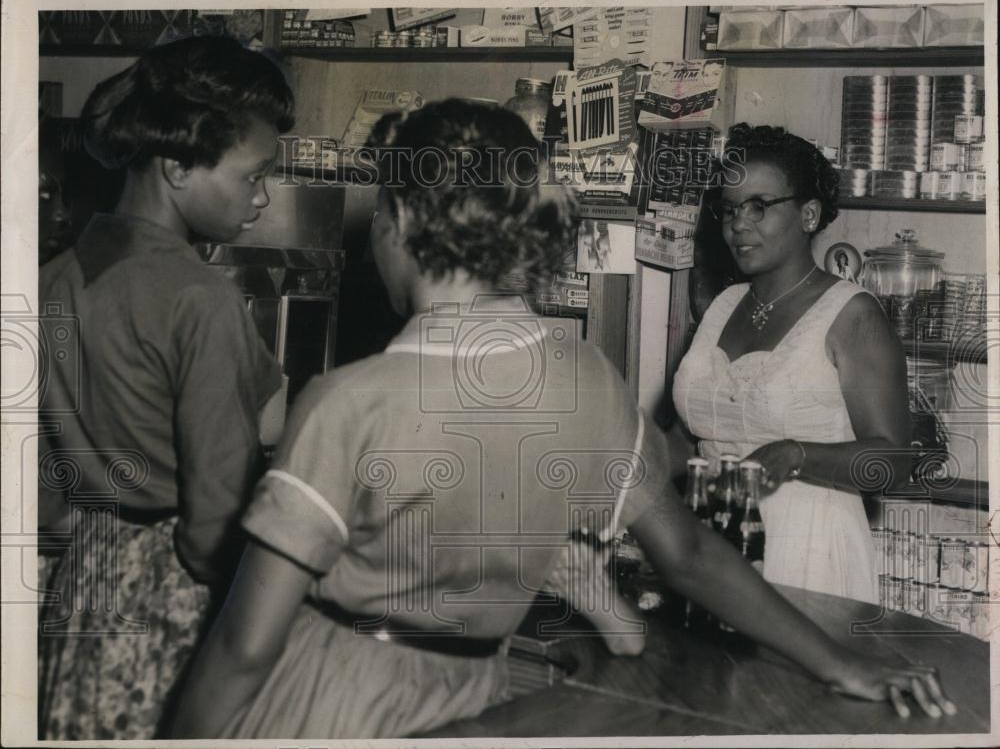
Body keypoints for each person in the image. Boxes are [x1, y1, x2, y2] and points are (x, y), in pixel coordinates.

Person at [171, 102, 953, 741]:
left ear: (401, 223)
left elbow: (244, 645)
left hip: (330, 701)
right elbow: (689, 555)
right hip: (479, 703)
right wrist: (838, 664)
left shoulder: (345, 400)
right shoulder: (585, 380)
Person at [37, 35, 293, 740]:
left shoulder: (52, 281)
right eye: (252, 176)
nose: (262, 196)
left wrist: (88, 531)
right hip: (177, 598)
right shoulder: (199, 298)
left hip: (84, 587)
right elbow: (213, 522)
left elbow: (38, 482)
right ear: (178, 166)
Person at [673, 123, 912, 604]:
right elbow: (690, 433)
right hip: (714, 543)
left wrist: (796, 455)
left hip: (809, 551)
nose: (739, 224)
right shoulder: (722, 305)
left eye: (759, 206)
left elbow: (894, 461)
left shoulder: (852, 314)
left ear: (808, 214)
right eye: (730, 209)